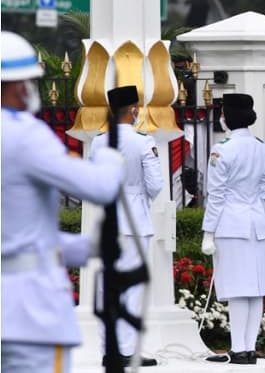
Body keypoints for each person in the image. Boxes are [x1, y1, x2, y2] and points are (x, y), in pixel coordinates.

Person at [1, 31, 125, 373]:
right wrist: (111, 158)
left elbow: (18, 233)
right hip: (28, 315)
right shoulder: (24, 134)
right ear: (19, 85)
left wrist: (85, 248)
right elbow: (100, 187)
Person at [202, 93, 265, 365]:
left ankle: (238, 348)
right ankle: (248, 348)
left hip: (231, 225)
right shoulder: (261, 147)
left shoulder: (223, 149)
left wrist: (208, 232)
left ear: (227, 117)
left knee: (237, 288)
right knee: (255, 288)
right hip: (258, 224)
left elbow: (216, 195)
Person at [91, 85, 163, 367]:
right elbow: (156, 185)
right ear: (133, 110)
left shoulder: (98, 141)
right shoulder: (143, 141)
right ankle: (126, 350)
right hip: (134, 221)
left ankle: (109, 349)